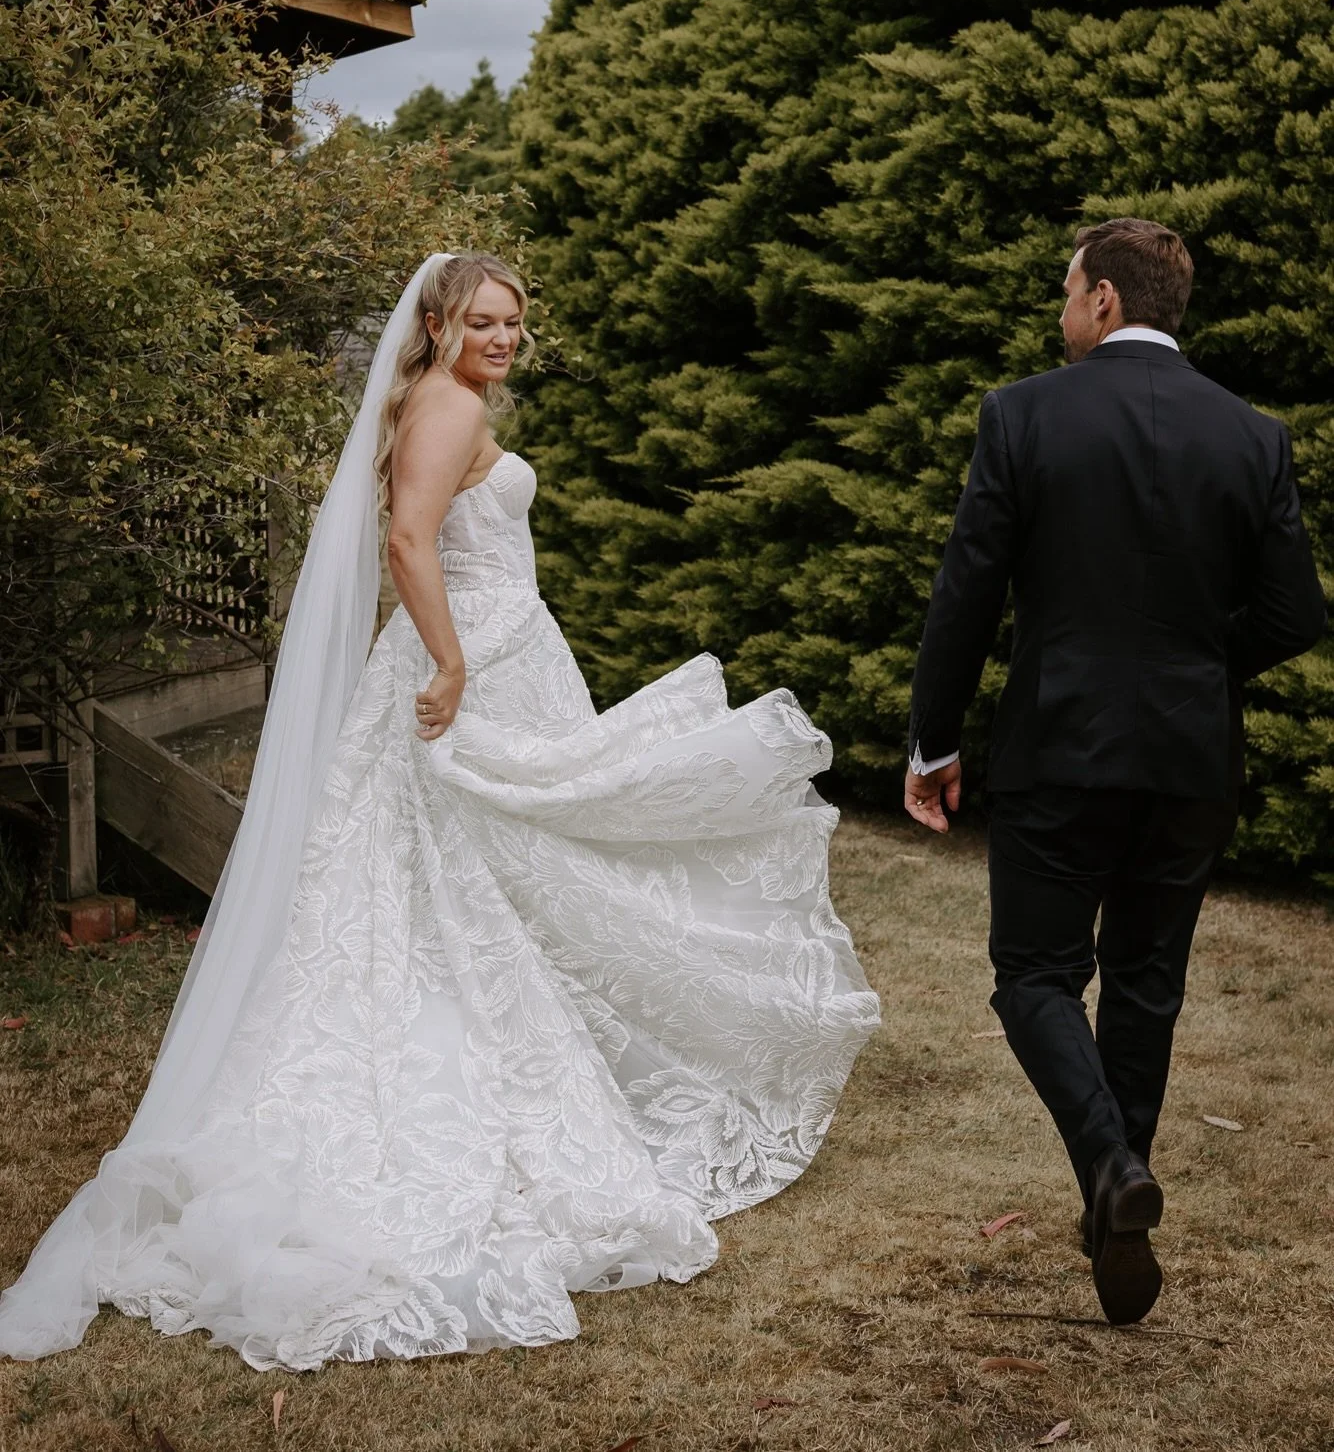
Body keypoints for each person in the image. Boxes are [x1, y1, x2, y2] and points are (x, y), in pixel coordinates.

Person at [0, 251, 879, 1372]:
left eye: (513, 321)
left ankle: (545, 1066)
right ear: (438, 323)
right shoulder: (446, 404)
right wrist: (453, 665)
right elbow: (409, 541)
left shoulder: (441, 398)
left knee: (498, 881)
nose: (503, 338)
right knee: (473, 881)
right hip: (464, 668)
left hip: (499, 653)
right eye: (484, 320)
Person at [903, 218, 1325, 1326]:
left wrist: (933, 740)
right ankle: (1115, 1210)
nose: (1060, 313)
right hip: (1190, 755)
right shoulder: (1253, 434)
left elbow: (968, 588)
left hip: (1061, 744)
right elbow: (1295, 613)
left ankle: (1109, 1163)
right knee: (1145, 982)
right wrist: (1195, 666)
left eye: (1065, 291)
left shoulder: (1024, 412)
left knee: (1034, 975)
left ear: (1101, 299)